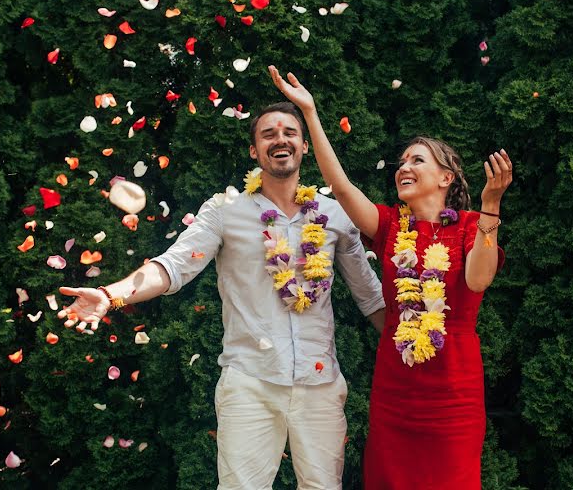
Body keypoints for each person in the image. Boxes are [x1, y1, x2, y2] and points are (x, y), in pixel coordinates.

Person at [56, 101, 386, 490]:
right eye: (268, 134)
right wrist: (110, 294)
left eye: (289, 132)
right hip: (250, 382)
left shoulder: (334, 215)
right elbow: (173, 266)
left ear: (304, 146)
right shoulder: (226, 210)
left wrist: (420, 351)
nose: (280, 139)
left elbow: (371, 297)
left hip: (320, 386)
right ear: (254, 151)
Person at [268, 65, 511, 489]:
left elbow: (478, 280)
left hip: (454, 393)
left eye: (417, 160)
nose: (404, 167)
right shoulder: (388, 226)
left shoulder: (471, 224)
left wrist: (491, 208)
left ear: (445, 177)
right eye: (401, 162)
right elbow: (340, 186)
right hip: (396, 392)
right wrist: (309, 114)